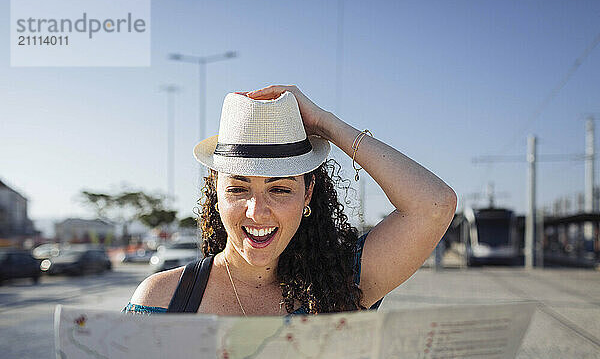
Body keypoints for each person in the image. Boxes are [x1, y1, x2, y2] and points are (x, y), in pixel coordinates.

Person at [123, 85, 457, 316]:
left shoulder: (340, 285)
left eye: (279, 189)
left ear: (307, 193)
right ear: (216, 191)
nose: (257, 212)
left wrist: (325, 123)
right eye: (238, 189)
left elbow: (434, 204)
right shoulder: (163, 301)